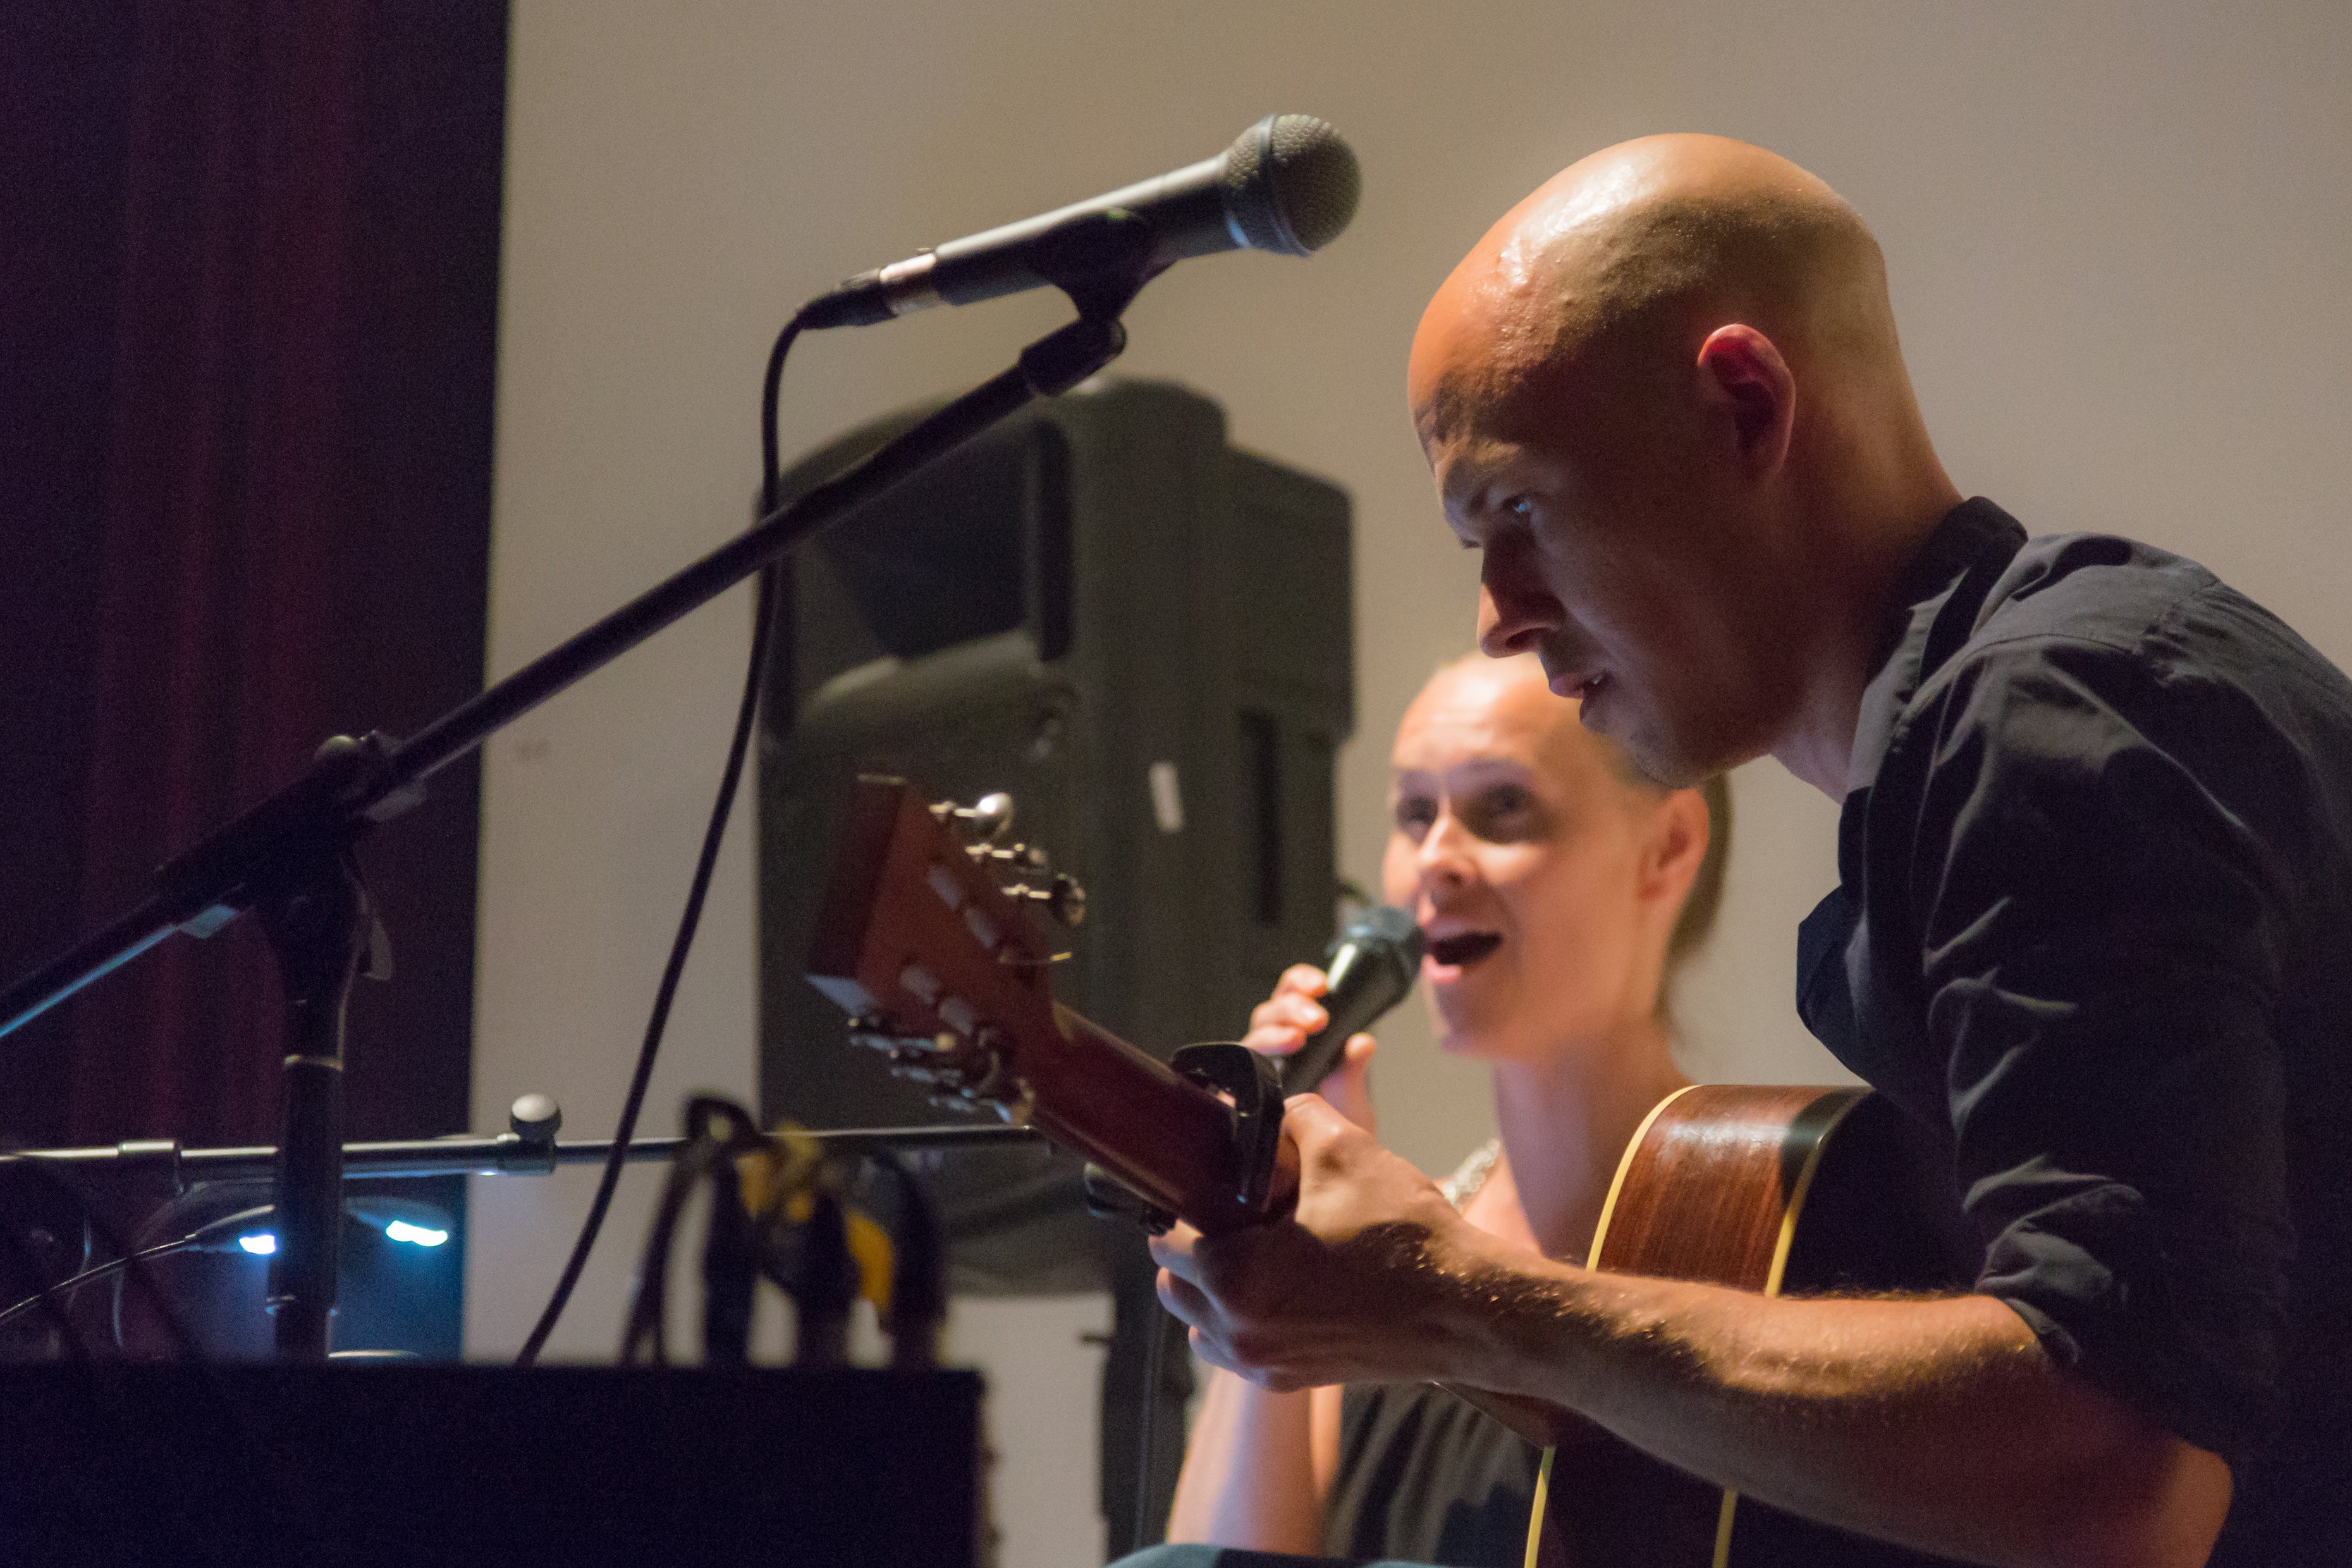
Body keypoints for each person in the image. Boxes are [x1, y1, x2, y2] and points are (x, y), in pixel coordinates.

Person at [1132, 133, 2352, 1568]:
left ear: (1745, 406)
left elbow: (2118, 1473)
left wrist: (1462, 1301)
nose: (1499, 618)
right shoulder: (2022, 720)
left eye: (1519, 511)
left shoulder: (2049, 727)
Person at [1164, 651, 1729, 1565]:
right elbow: (1222, 1559)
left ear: (1667, 847)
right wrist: (1275, 1206)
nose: (1435, 861)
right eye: (1414, 814)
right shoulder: (1380, 1259)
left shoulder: (1757, 1235)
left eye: (1504, 806)